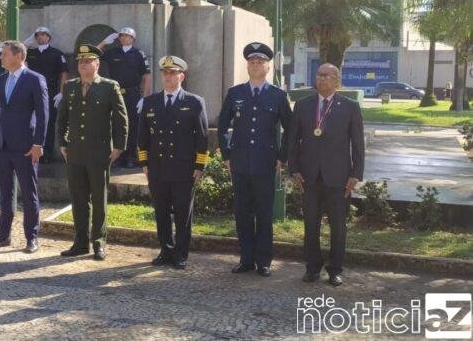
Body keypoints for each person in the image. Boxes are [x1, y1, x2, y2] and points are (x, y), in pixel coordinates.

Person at [217, 42, 292, 277]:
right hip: (239, 163)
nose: (256, 64)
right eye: (252, 61)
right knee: (242, 213)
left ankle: (264, 261)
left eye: (260, 61)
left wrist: (282, 157)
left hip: (265, 163)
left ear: (268, 67)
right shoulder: (235, 93)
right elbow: (222, 126)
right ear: (247, 66)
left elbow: (290, 129)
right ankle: (246, 259)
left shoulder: (278, 95)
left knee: (264, 214)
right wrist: (227, 154)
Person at [288, 63, 365, 287]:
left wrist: (356, 174)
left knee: (338, 226)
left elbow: (358, 144)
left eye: (327, 75)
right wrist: (294, 169)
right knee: (311, 224)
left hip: (339, 178)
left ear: (337, 80)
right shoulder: (303, 105)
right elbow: (292, 141)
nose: (321, 79)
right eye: (319, 75)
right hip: (309, 177)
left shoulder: (350, 107)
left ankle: (335, 270)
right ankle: (312, 268)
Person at [57, 44, 128, 261]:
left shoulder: (109, 87)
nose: (82, 65)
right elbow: (62, 118)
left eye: (87, 61)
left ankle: (99, 242)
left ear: (97, 64)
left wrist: (119, 146)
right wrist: (62, 142)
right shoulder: (69, 87)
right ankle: (80, 242)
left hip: (99, 153)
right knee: (78, 198)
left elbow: (120, 118)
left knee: (98, 198)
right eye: (80, 62)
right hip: (75, 152)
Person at [137, 56, 208, 270]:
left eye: (172, 73)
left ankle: (180, 253)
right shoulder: (151, 102)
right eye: (165, 73)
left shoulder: (194, 102)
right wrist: (144, 163)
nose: (168, 76)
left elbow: (202, 138)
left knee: (182, 212)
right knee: (160, 211)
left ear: (181, 76)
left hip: (183, 168)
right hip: (157, 168)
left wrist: (199, 166)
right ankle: (166, 250)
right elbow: (142, 137)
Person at [0, 41, 48, 254]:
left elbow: (43, 115)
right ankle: (4, 235)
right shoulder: (0, 81)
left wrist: (39, 144)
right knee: (5, 192)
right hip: (2, 146)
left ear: (19, 56)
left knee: (29, 193)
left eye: (4, 54)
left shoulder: (35, 80)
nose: (1, 58)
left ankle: (32, 237)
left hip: (26, 146)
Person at [98, 27, 151, 167]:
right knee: (116, 125)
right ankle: (117, 156)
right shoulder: (113, 52)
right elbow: (93, 55)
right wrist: (104, 42)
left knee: (133, 126)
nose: (123, 38)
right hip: (115, 94)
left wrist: (145, 97)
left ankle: (131, 157)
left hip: (132, 94)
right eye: (121, 36)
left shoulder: (139, 54)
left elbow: (147, 76)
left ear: (132, 39)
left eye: (126, 36)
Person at [25, 26, 69, 163]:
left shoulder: (57, 54)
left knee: (48, 123)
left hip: (50, 93)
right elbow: (17, 53)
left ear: (48, 37)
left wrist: (62, 92)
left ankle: (47, 154)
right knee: (31, 121)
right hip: (31, 92)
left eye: (43, 34)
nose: (39, 37)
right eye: (37, 35)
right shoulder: (30, 52)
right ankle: (30, 150)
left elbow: (64, 73)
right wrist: (26, 43)